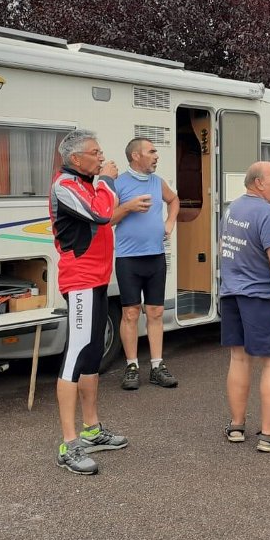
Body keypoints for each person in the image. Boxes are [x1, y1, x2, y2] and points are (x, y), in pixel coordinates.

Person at [49, 129, 129, 476]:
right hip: (79, 280)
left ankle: (92, 430)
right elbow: (101, 214)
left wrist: (101, 183)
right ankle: (68, 445)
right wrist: (107, 181)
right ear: (75, 159)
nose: (101, 157)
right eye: (95, 152)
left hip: (98, 278)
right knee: (76, 356)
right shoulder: (65, 187)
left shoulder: (87, 183)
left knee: (94, 354)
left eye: (101, 152)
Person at [217, 161, 270, 452]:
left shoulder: (232, 209)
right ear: (259, 183)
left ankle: (237, 426)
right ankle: (268, 434)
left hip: (232, 294)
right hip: (263, 298)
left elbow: (223, 247)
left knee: (238, 359)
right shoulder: (268, 214)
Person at [111, 138, 180, 390]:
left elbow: (174, 200)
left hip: (155, 256)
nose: (156, 156)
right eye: (151, 152)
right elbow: (107, 219)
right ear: (135, 156)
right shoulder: (119, 184)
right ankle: (131, 366)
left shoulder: (157, 182)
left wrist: (170, 223)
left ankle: (157, 366)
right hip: (128, 258)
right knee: (130, 313)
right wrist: (128, 207)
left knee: (156, 313)